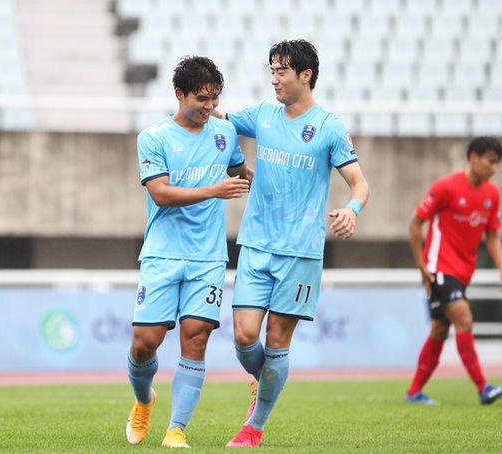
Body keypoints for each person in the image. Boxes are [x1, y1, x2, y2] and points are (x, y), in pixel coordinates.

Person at [216, 40, 369, 447]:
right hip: (256, 245)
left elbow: (360, 184)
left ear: (306, 75)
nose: (274, 79)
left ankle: (254, 427)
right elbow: (221, 118)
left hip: (301, 253)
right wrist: (189, 107)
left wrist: (351, 209)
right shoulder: (263, 114)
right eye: (272, 70)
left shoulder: (329, 128)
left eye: (281, 71)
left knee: (277, 341)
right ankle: (266, 380)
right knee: (244, 337)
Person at [125, 56, 249, 448]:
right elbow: (160, 193)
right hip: (162, 254)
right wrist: (214, 189)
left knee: (195, 338)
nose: (210, 106)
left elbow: (241, 173)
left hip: (208, 256)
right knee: (145, 342)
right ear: (179, 94)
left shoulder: (225, 132)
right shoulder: (153, 137)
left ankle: (176, 429)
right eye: (202, 99)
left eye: (215, 98)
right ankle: (144, 399)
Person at [405, 136, 502, 406]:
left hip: (463, 274)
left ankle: (414, 393)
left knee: (440, 331)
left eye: (497, 163)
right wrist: (421, 264)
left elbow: (492, 234)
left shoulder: (492, 194)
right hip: (439, 269)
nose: (494, 168)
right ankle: (483, 388)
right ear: (474, 158)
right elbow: (416, 223)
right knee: (464, 320)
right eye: (490, 162)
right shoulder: (446, 186)